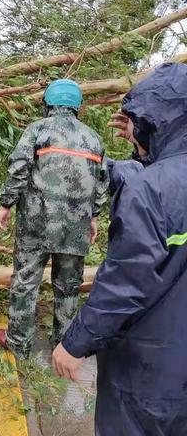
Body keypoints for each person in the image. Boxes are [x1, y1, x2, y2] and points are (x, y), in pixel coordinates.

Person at [53, 62, 187, 435]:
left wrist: (76, 342)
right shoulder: (156, 180)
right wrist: (145, 146)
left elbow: (127, 282)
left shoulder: (151, 189)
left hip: (149, 370)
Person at [0, 79, 109, 359]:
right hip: (75, 227)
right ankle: (64, 345)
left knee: (25, 281)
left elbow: (19, 168)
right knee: (69, 287)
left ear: (48, 103)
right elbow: (102, 183)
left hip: (36, 223)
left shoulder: (37, 130)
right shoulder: (93, 138)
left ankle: (19, 343)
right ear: (77, 107)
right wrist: (93, 216)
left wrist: (6, 203)